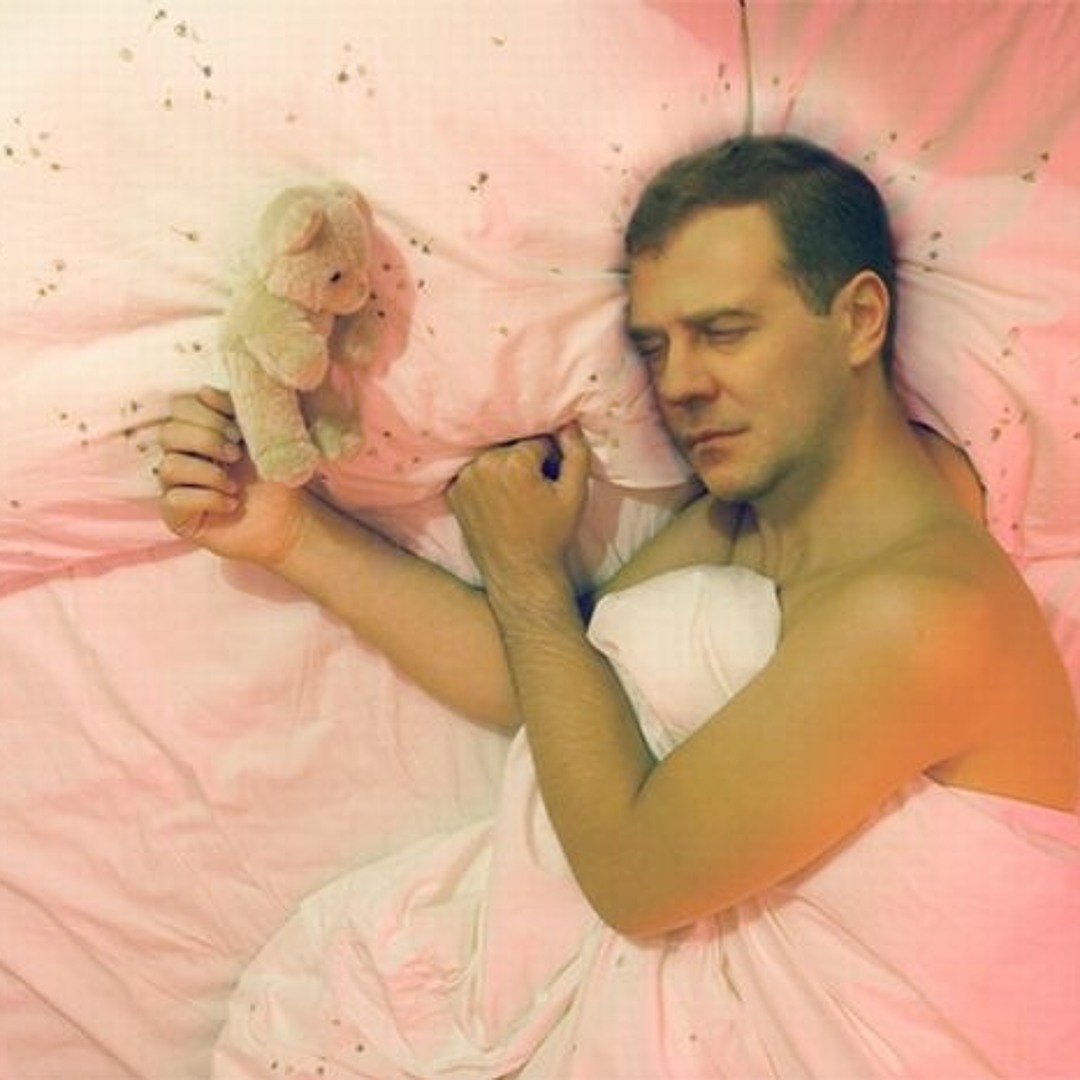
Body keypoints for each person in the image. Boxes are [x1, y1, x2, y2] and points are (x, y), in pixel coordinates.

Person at [159, 135, 1080, 1079]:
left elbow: (637, 880)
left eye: (725, 331)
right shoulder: (749, 522)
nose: (679, 383)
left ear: (858, 320)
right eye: (655, 345)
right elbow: (556, 688)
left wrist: (527, 578)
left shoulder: (929, 611)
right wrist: (288, 533)